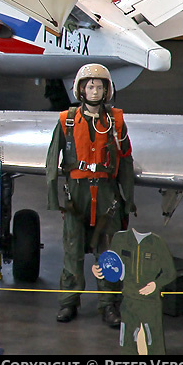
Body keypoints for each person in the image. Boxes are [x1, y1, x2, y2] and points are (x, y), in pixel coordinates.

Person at [46, 63, 136, 326]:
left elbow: (126, 161)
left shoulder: (116, 123)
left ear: (107, 90)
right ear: (81, 89)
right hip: (76, 196)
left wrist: (128, 199)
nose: (95, 90)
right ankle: (68, 303)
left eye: (99, 86)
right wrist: (54, 198)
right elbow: (52, 159)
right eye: (90, 85)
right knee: (72, 251)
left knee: (108, 253)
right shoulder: (66, 121)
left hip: (108, 197)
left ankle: (109, 306)